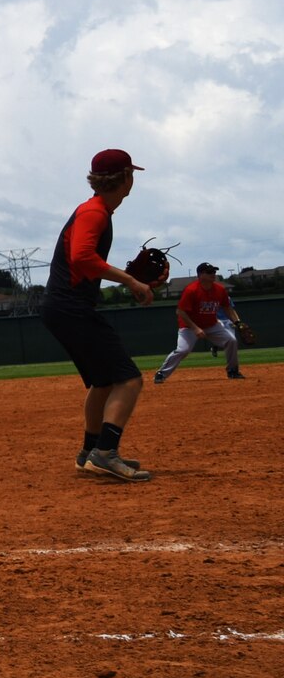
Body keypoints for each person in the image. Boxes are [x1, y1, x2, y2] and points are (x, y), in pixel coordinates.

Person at [40, 149, 163, 482]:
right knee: (129, 379)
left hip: (63, 307)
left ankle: (89, 453)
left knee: (104, 381)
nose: (132, 180)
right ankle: (105, 453)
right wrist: (131, 279)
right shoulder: (95, 212)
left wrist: (130, 282)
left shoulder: (94, 210)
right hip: (71, 308)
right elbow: (82, 258)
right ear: (124, 178)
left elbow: (84, 263)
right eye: (130, 174)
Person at [153, 263, 247, 383]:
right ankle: (162, 373)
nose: (213, 274)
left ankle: (233, 371)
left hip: (212, 325)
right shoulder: (191, 290)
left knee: (231, 340)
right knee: (183, 350)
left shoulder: (220, 290)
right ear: (200, 275)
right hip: (189, 327)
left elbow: (227, 308)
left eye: (214, 271)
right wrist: (195, 328)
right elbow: (180, 312)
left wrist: (237, 322)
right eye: (209, 272)